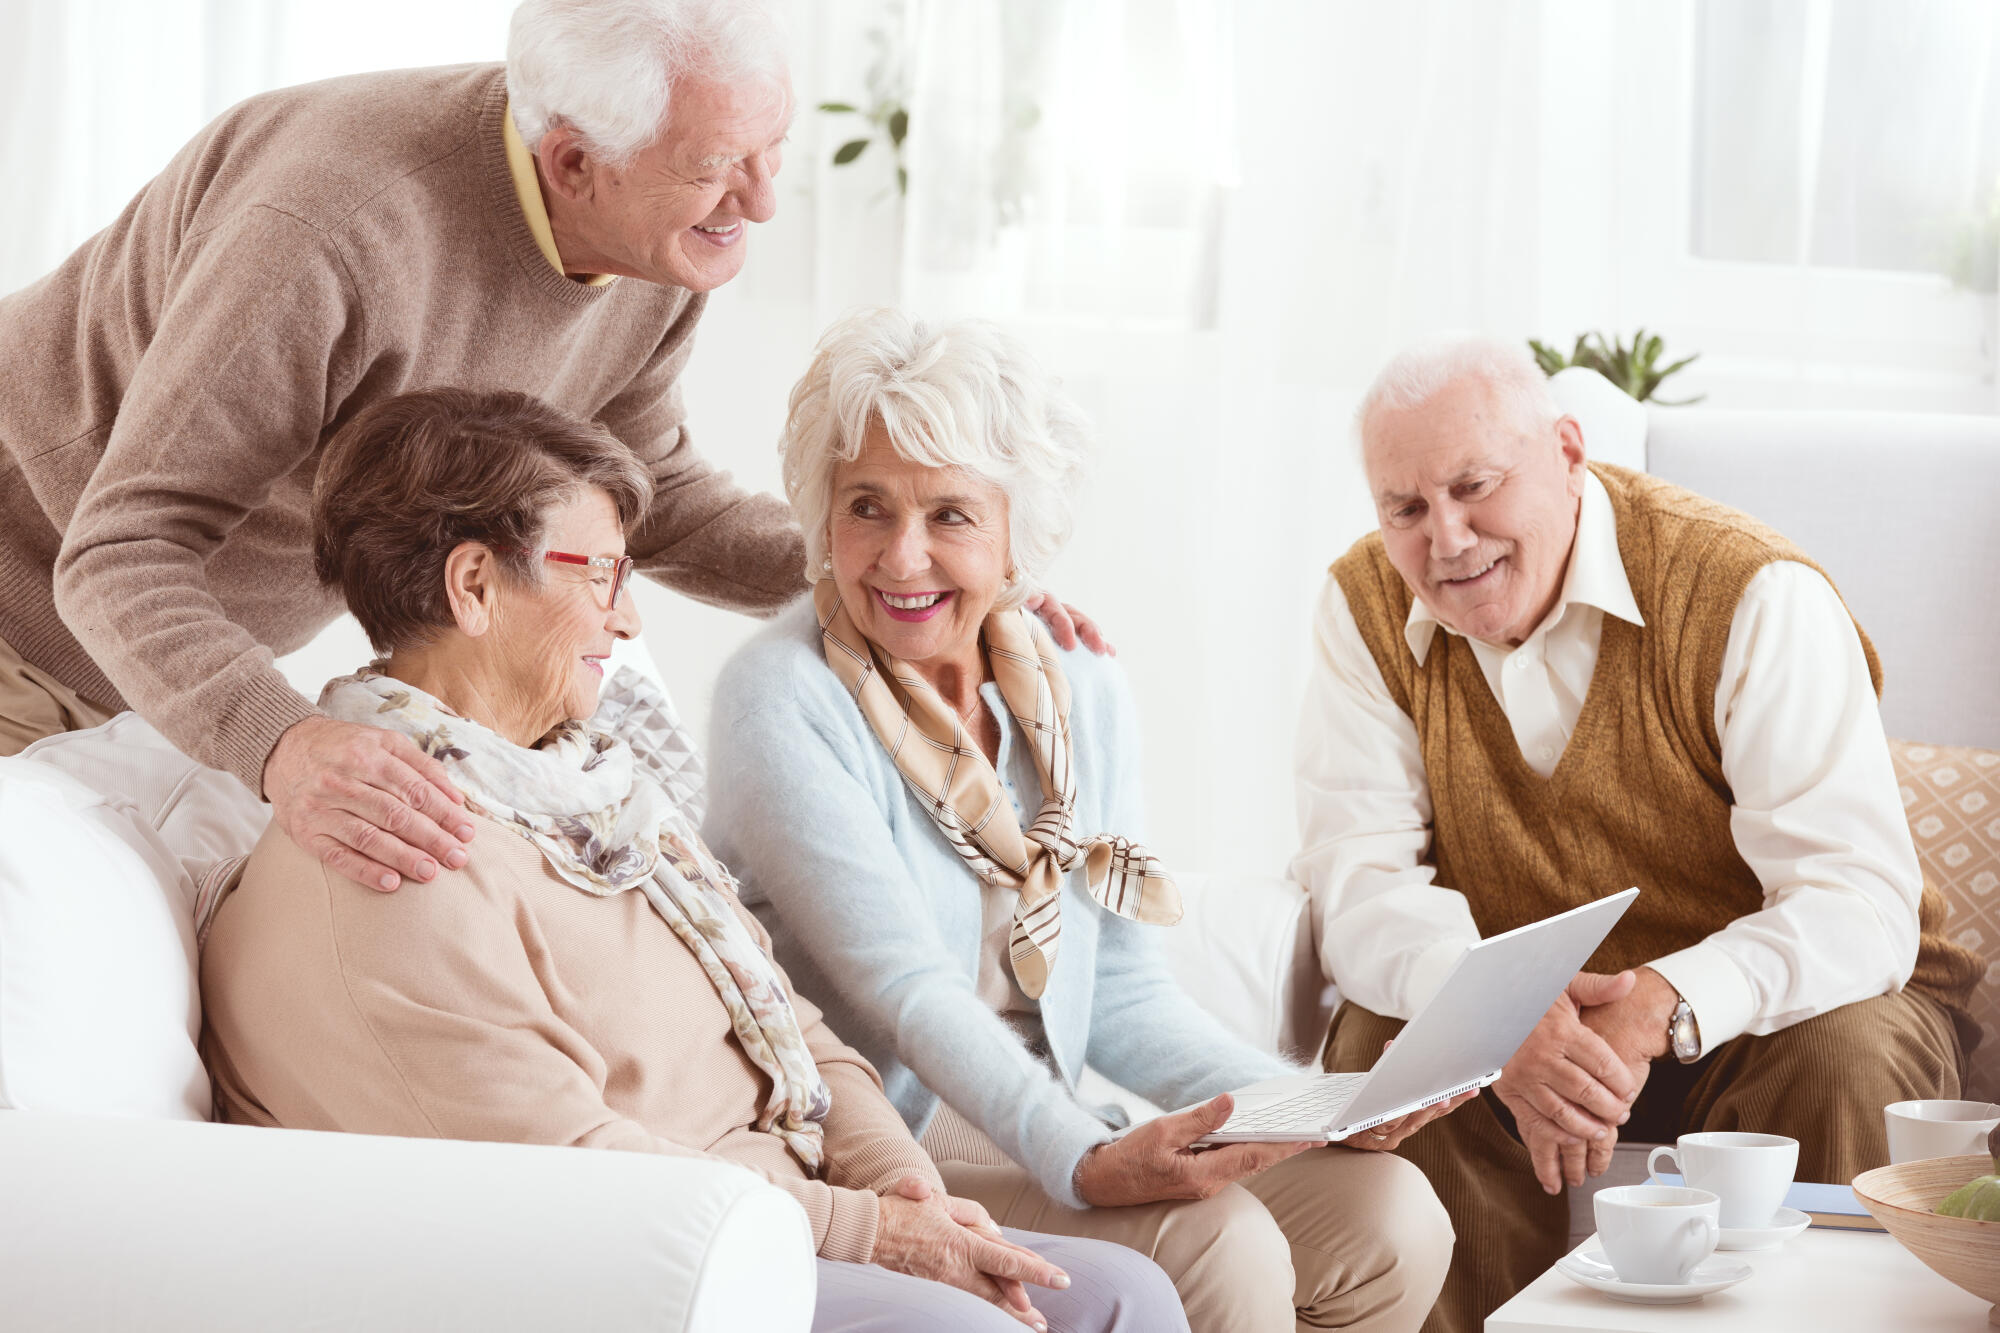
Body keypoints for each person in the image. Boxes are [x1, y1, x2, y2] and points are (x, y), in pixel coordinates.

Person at [0, 0, 1098, 903]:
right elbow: (119, 551)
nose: (759, 203)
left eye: (774, 153)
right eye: (721, 165)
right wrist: (284, 744)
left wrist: (883, 577)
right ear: (572, 162)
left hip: (133, 659)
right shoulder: (329, 231)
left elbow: (648, 483)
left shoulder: (654, 236)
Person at [199, 387, 1184, 1333]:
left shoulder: (588, 787)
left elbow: (788, 1019)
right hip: (634, 1264)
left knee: (1123, 1296)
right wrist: (868, 1230)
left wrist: (891, 1171)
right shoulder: (392, 851)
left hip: (768, 1202)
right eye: (602, 578)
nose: (626, 622)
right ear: (474, 587)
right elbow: (577, 1173)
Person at [704, 309, 1460, 1333]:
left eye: (951, 515)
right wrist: (1081, 1157)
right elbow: (906, 995)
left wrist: (1315, 1107)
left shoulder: (1077, 686)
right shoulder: (776, 700)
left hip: (1031, 1105)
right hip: (878, 1141)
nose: (901, 556)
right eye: (866, 508)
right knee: (1218, 1245)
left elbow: (1120, 994)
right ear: (819, 512)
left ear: (1020, 528)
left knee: (1391, 1214)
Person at [1295, 335, 1983, 1333]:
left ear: (1567, 452)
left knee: (1847, 1053)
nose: (1443, 538)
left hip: (1780, 1019)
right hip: (1526, 1031)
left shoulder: (1747, 591)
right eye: (1404, 507)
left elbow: (1856, 907)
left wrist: (1661, 1003)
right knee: (1383, 1039)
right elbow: (1356, 885)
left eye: (1472, 485)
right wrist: (1500, 1018)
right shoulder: (1359, 607)